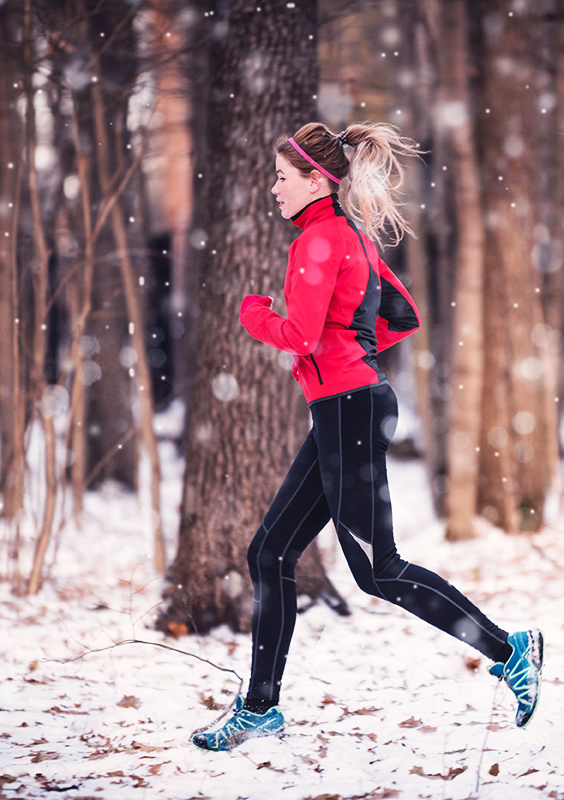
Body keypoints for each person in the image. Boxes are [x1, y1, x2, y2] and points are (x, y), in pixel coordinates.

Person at [191, 122, 543, 752]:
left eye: (280, 177)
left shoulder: (320, 241)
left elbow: (297, 334)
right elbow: (401, 315)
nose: (273, 189)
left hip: (348, 410)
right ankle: (260, 707)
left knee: (378, 572)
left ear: (314, 179)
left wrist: (254, 313)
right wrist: (354, 350)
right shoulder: (346, 236)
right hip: (347, 409)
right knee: (269, 553)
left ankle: (510, 650)